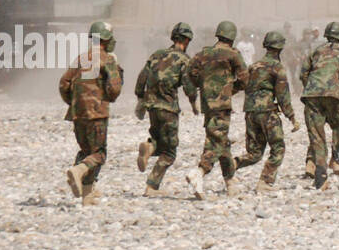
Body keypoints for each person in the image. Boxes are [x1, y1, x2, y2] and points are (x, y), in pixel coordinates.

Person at [61, 21, 123, 205]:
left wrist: (73, 102)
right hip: (97, 113)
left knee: (86, 151)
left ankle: (87, 195)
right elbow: (114, 89)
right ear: (106, 39)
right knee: (99, 154)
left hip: (78, 114)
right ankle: (79, 171)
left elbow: (64, 84)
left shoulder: (81, 58)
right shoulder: (108, 60)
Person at [186, 20, 249, 198]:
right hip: (222, 105)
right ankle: (199, 172)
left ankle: (230, 182)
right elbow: (245, 79)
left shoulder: (203, 53)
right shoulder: (233, 54)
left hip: (208, 104)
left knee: (220, 139)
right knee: (216, 141)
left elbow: (190, 72)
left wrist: (204, 86)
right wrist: (230, 90)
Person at [135, 21, 199, 196]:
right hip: (168, 108)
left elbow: (142, 78)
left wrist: (140, 99)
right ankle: (151, 187)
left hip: (152, 107)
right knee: (170, 153)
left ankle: (149, 148)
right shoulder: (184, 60)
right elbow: (188, 85)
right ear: (186, 41)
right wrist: (194, 104)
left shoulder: (157, 54)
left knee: (158, 138)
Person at [235, 30, 299, 191]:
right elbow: (283, 96)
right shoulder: (277, 68)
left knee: (254, 154)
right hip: (267, 112)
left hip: (250, 112)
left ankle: (232, 164)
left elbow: (240, 85)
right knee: (278, 148)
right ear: (280, 49)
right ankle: (265, 182)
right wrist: (291, 117)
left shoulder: (253, 66)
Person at [299, 20, 339, 190]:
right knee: (338, 124)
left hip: (311, 95)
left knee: (317, 137)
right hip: (333, 96)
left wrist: (313, 87)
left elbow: (303, 73)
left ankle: (321, 177)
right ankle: (338, 159)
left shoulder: (316, 51)